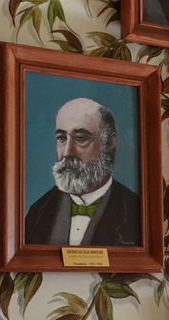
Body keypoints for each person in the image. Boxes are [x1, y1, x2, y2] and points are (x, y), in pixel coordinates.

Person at [24, 98, 140, 246]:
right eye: (61, 138)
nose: (67, 152)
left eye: (80, 138)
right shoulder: (39, 211)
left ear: (109, 142)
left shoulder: (135, 210)